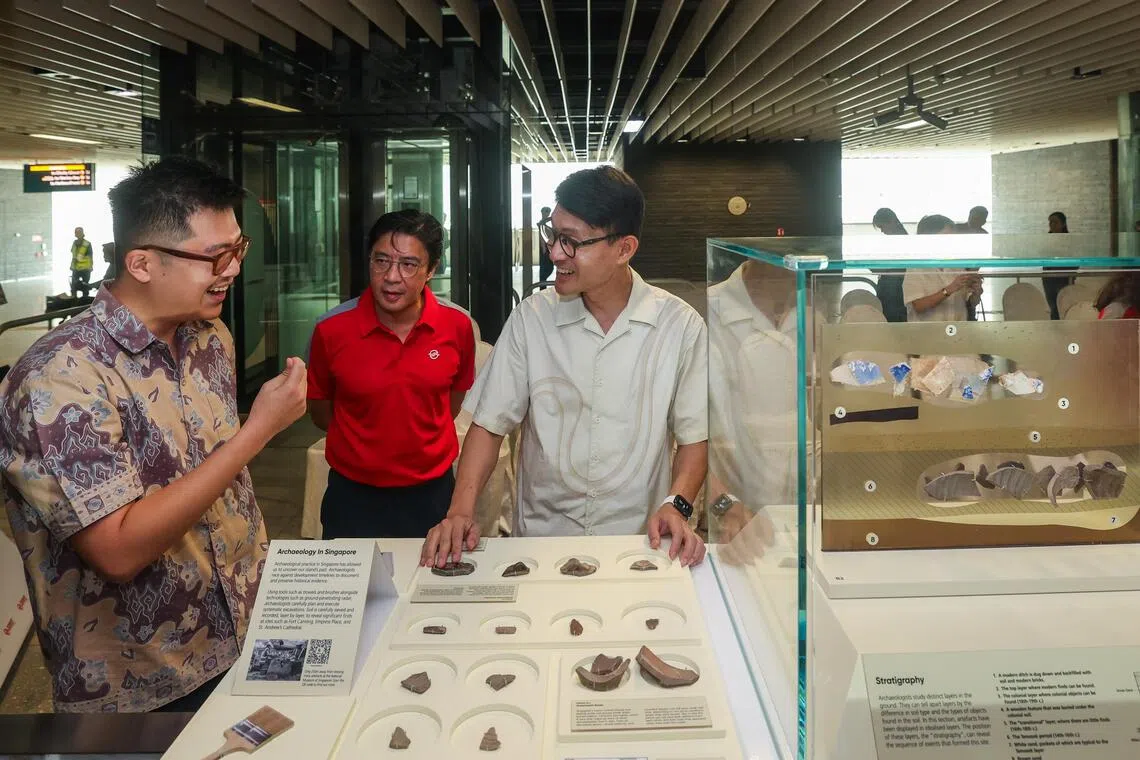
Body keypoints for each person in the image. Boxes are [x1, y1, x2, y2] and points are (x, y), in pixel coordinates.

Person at [0, 156, 307, 713]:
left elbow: (221, 489)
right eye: (215, 256)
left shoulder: (209, 338)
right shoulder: (61, 375)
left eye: (238, 249)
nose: (233, 269)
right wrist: (258, 431)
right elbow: (116, 550)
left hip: (248, 632)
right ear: (141, 263)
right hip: (142, 682)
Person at [420, 167, 708, 567]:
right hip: (540, 540)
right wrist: (460, 511)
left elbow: (694, 438)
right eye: (552, 234)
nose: (555, 253)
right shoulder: (531, 319)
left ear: (624, 248)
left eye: (571, 242)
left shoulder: (680, 326)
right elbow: (489, 425)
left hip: (637, 541)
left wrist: (676, 506)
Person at [307, 210, 476, 539]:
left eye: (409, 265)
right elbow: (321, 412)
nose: (392, 277)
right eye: (381, 261)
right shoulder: (331, 330)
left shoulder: (457, 326)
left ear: (432, 270)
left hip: (433, 495)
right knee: (353, 591)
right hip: (353, 498)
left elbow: (451, 403)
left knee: (430, 588)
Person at [902, 214, 982, 322]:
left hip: (957, 332)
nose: (951, 243)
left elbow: (970, 301)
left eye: (952, 239)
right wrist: (949, 290)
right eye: (946, 238)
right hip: (927, 334)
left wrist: (976, 292)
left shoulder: (956, 264)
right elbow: (918, 306)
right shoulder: (916, 268)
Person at [870, 207, 907, 322]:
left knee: (891, 319)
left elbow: (887, 268)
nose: (882, 231)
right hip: (892, 287)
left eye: (882, 226)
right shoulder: (902, 239)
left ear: (891, 222)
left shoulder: (899, 242)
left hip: (894, 289)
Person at [1043, 211, 1071, 319]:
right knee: (1053, 306)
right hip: (1048, 278)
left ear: (1063, 224)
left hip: (1063, 277)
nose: (1052, 225)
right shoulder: (1047, 239)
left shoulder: (1069, 240)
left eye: (1055, 222)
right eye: (1050, 222)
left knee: (1063, 304)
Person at [69, 226, 94, 298]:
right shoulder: (74, 243)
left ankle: (84, 301)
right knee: (74, 287)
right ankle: (74, 301)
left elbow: (90, 256)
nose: (77, 234)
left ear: (82, 233)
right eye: (76, 232)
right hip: (76, 268)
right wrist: (72, 266)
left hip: (85, 268)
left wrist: (91, 266)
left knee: (85, 286)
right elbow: (74, 255)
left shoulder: (87, 243)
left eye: (79, 232)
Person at [537, 205, 553, 287]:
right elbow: (542, 238)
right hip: (545, 250)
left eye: (548, 211)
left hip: (548, 249)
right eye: (545, 211)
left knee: (548, 269)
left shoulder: (544, 224)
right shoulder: (541, 224)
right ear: (542, 212)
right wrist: (544, 249)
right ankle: (542, 287)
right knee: (545, 270)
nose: (547, 213)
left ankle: (543, 287)